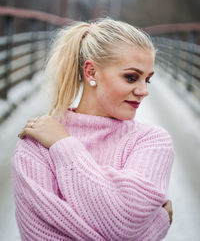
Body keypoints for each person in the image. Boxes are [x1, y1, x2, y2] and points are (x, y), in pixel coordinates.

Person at [13, 18, 174, 241]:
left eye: (148, 80)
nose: (143, 90)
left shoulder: (153, 142)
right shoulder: (36, 142)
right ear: (91, 72)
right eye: (131, 77)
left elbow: (124, 224)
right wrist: (155, 227)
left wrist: (63, 145)